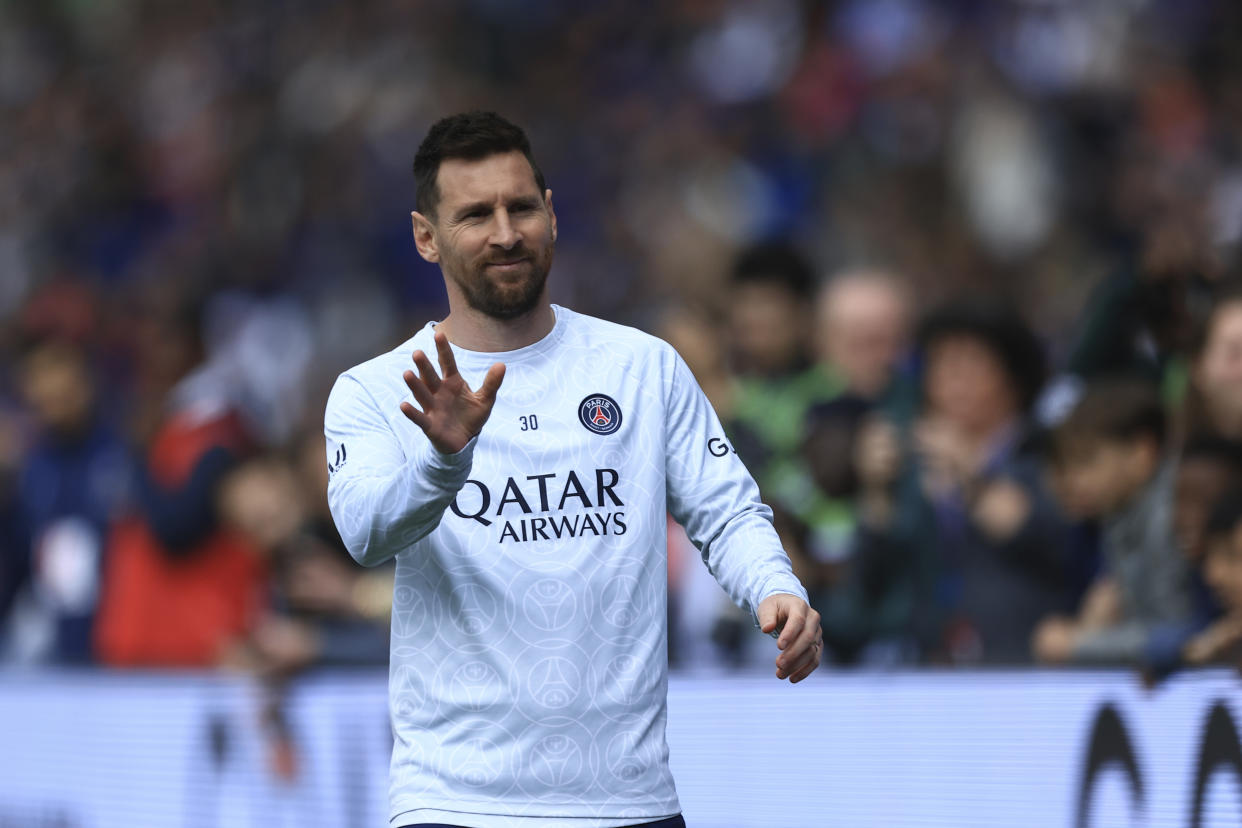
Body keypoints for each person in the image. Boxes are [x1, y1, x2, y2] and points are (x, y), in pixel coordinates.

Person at [323, 111, 820, 828]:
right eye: (474, 214)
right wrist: (442, 461)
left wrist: (774, 586)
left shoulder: (641, 368)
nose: (504, 233)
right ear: (425, 237)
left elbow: (727, 510)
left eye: (520, 206)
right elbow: (365, 533)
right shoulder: (378, 389)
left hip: (628, 800)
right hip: (457, 802)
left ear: (551, 214)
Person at [1035, 379, 1190, 665]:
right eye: (1069, 465)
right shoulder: (1117, 515)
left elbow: (1180, 632)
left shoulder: (1172, 516)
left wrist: (1079, 644)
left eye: (1088, 461)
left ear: (1142, 451)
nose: (1074, 479)